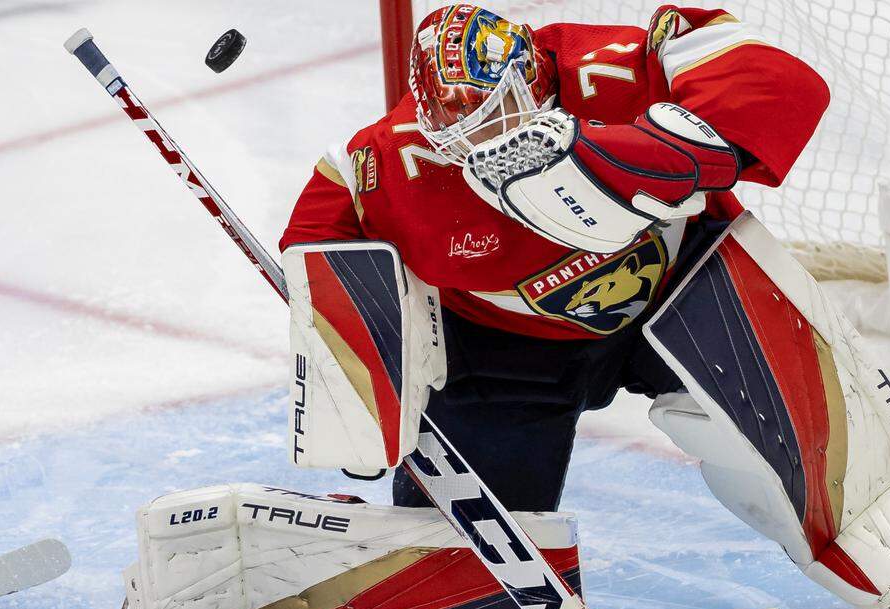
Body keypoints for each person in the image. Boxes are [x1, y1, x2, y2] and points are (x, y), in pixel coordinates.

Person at [279, 3, 829, 512]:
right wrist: (352, 390)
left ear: (534, 80)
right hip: (506, 358)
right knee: (475, 555)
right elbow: (314, 255)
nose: (480, 143)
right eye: (458, 129)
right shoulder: (384, 166)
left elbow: (782, 83)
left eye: (494, 115)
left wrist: (660, 155)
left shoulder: (617, 68)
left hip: (685, 296)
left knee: (782, 441)